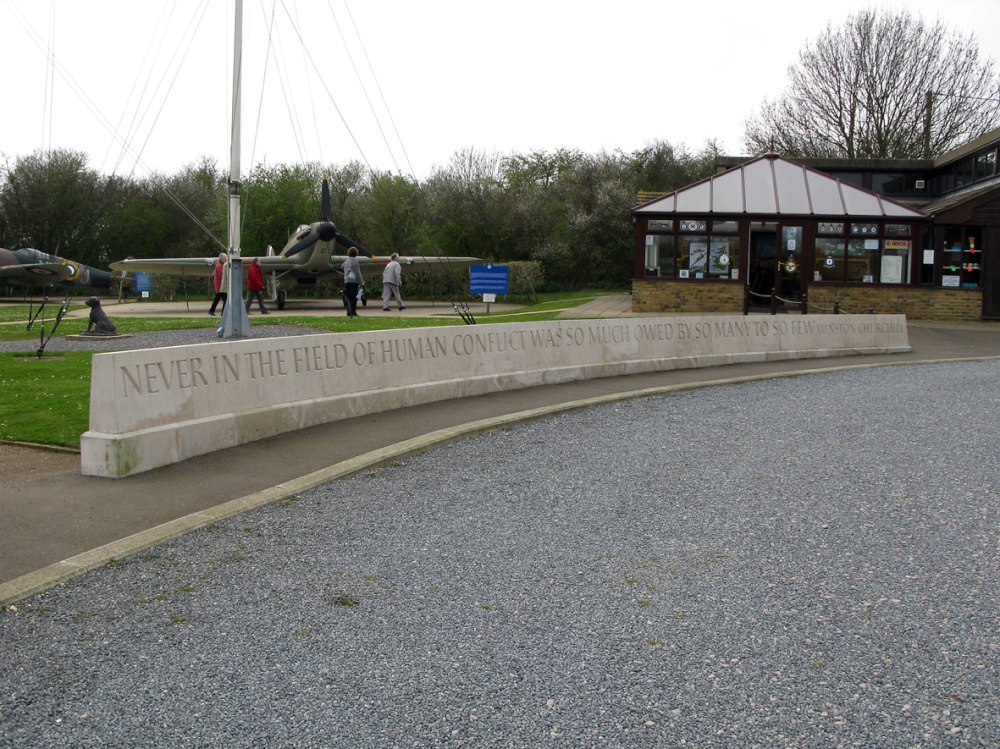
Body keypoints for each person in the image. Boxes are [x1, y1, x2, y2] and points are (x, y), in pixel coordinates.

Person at [342, 247, 362, 318]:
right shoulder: (354, 261)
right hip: (353, 281)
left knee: (349, 297)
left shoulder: (346, 261)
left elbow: (342, 266)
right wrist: (361, 282)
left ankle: (349, 311)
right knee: (354, 297)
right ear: (356, 253)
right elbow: (357, 272)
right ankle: (353, 312)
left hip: (346, 281)